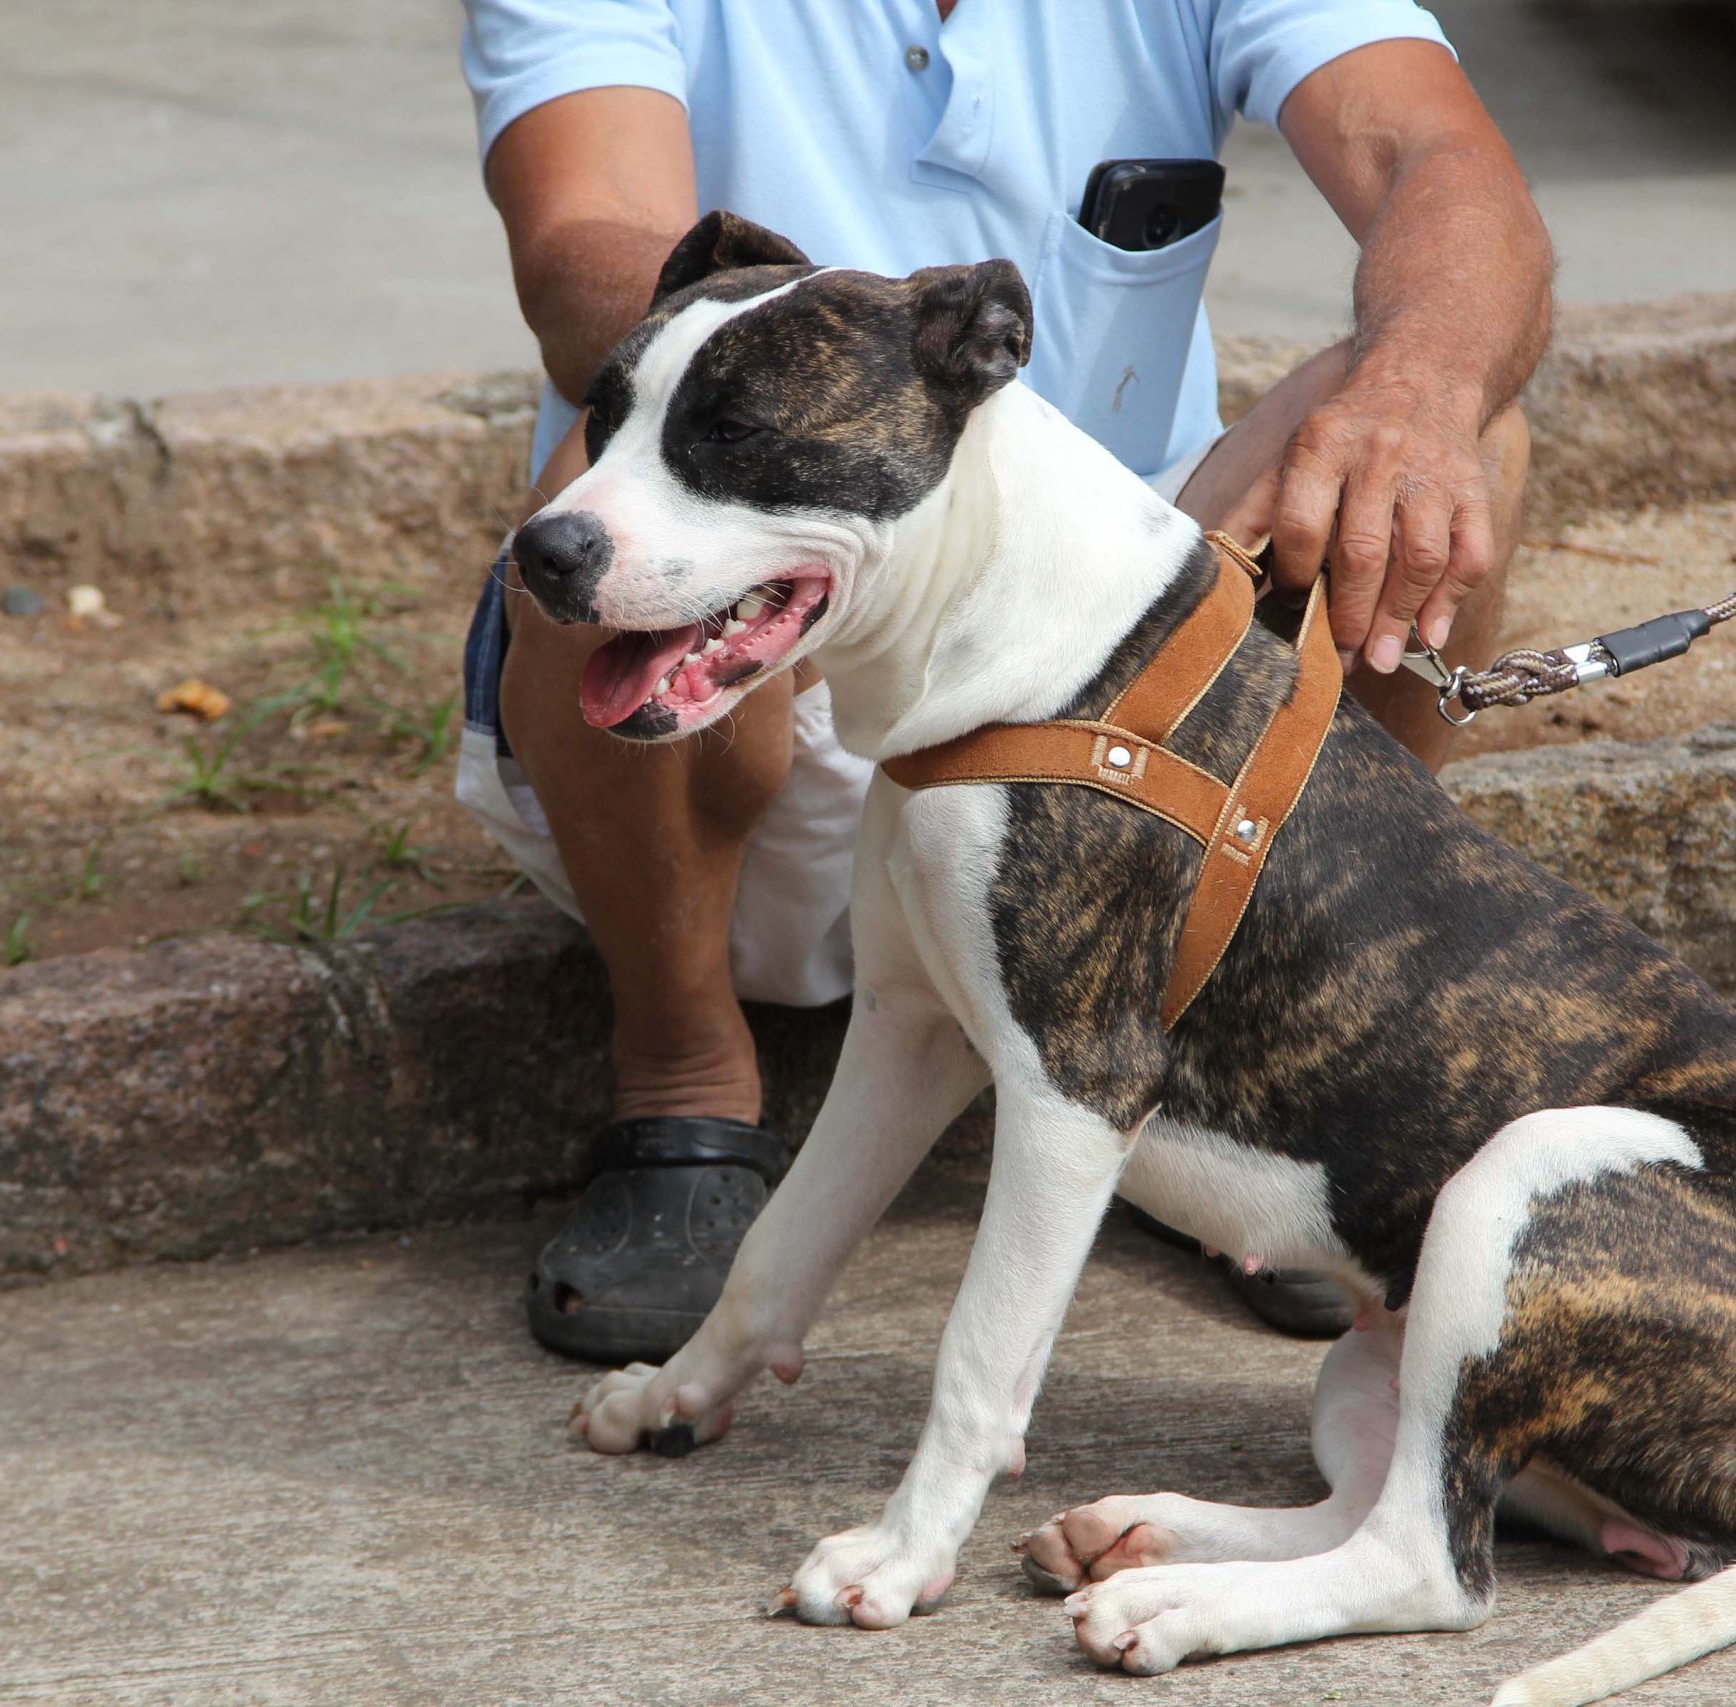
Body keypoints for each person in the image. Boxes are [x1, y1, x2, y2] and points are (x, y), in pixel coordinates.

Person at [455, 0, 1552, 1364]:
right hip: (774, 668)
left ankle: (1228, 1064)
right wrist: (863, 357)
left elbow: (1440, 162)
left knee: (1444, 412)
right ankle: (685, 1083)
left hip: (1132, 663)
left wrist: (1420, 385)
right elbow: (581, 245)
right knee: (596, 527)